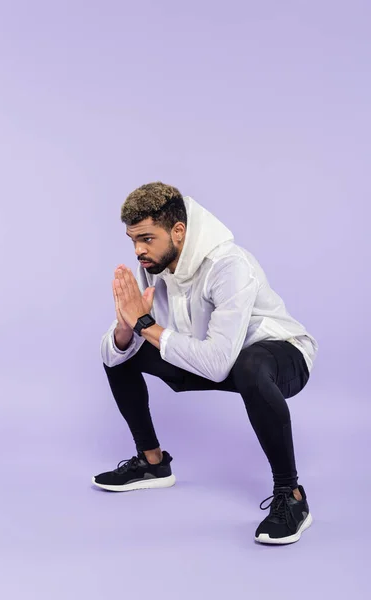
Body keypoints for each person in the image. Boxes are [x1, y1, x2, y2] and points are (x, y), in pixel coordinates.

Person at [93, 182, 318, 545]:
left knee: (249, 365)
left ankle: (291, 497)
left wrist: (145, 325)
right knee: (119, 350)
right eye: (132, 239)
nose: (138, 250)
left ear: (178, 231)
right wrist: (125, 328)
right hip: (209, 353)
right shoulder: (154, 264)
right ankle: (152, 463)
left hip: (280, 356)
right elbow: (115, 352)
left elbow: (216, 364)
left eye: (147, 238)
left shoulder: (229, 266)